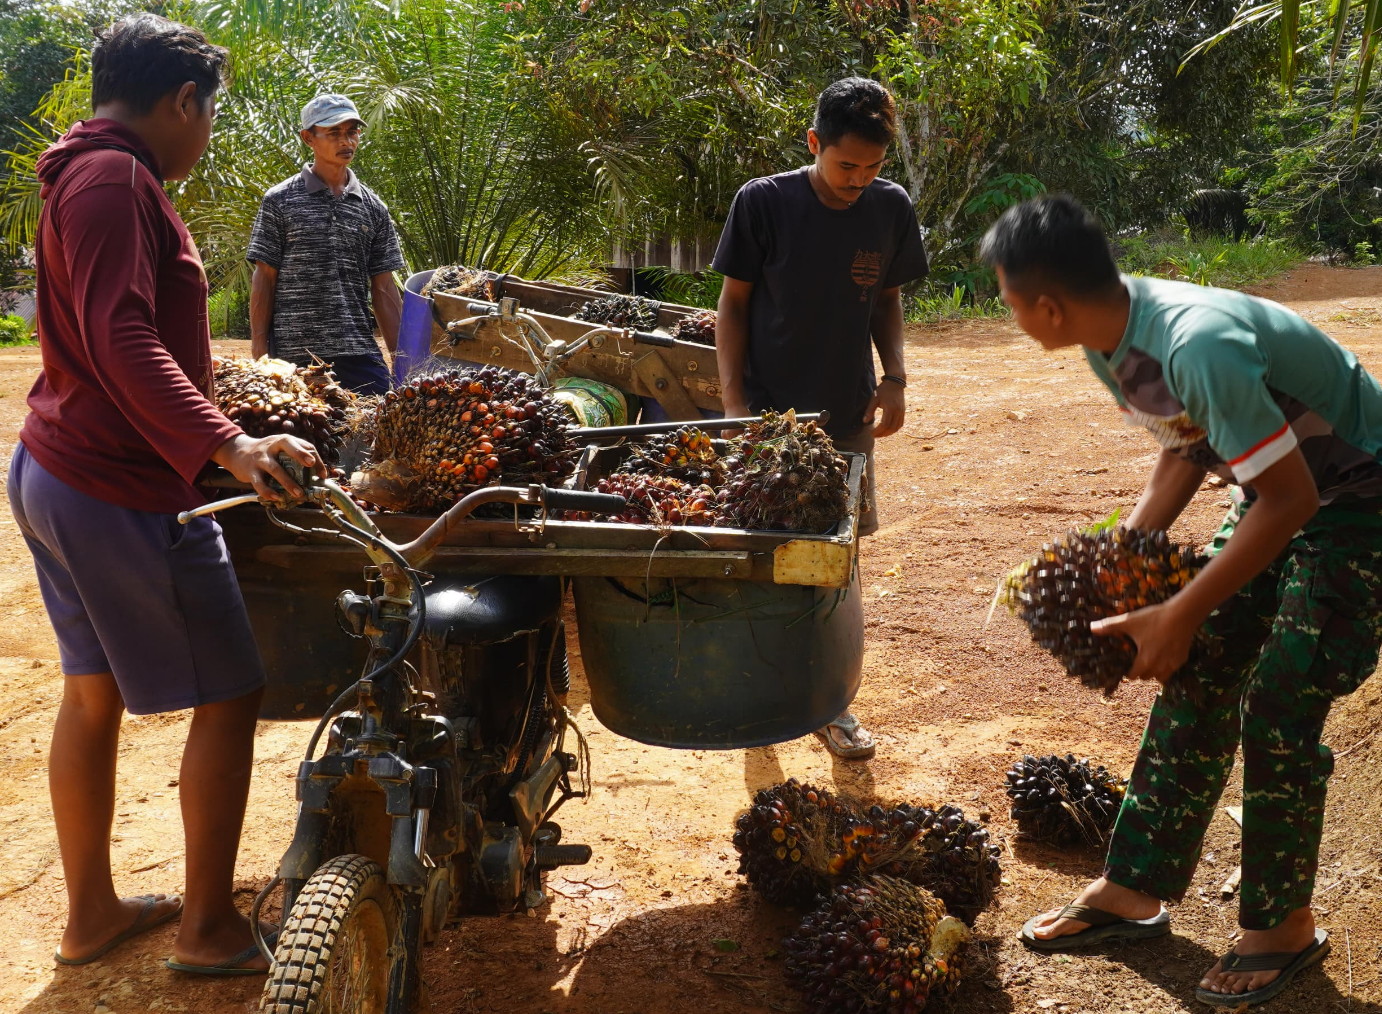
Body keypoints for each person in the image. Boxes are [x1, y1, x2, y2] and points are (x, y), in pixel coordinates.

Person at [981, 194, 1382, 1007]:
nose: (1011, 315)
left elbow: (1291, 501)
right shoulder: (1112, 340)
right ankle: (1136, 886)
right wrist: (1123, 563)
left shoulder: (1197, 344)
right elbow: (1187, 452)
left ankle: (1281, 929)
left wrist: (1182, 609)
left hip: (1361, 499)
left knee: (1278, 700)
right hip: (1289, 489)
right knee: (1199, 671)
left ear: (1046, 306)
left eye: (1009, 300)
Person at [14, 13, 322, 976]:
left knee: (91, 694)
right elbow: (122, 339)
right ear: (183, 101)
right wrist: (225, 445)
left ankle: (92, 914)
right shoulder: (115, 180)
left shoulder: (85, 170)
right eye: (210, 115)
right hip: (122, 487)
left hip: (62, 471)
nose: (208, 134)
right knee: (232, 691)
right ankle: (208, 930)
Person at [711, 76, 928, 760]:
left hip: (845, 413)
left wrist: (894, 378)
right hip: (769, 416)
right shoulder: (763, 202)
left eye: (873, 167)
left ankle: (832, 705)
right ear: (814, 144)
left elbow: (887, 298)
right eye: (845, 166)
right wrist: (736, 406)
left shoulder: (889, 208)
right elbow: (734, 306)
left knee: (836, 559)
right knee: (760, 551)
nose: (858, 180)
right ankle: (757, 697)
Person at [247, 92, 405, 395]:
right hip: (293, 357)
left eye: (352, 132)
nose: (346, 141)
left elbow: (384, 287)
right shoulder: (279, 201)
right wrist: (259, 351)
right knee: (296, 438)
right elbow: (264, 277)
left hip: (357, 350)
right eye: (334, 133)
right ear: (309, 137)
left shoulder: (373, 207)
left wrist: (401, 358)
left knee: (377, 431)